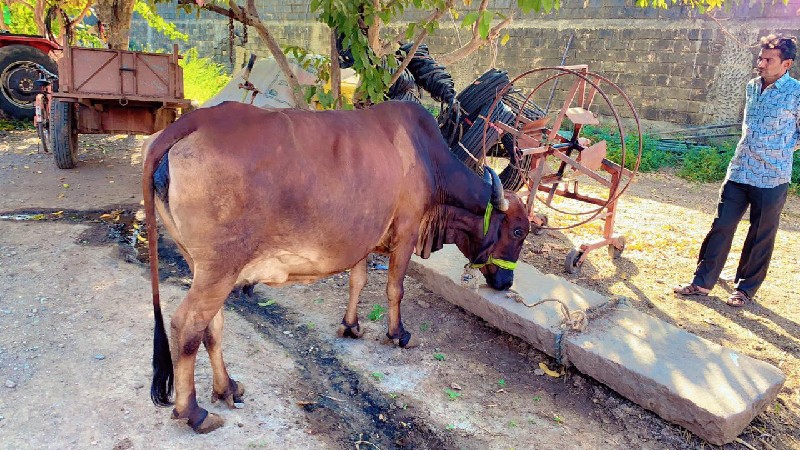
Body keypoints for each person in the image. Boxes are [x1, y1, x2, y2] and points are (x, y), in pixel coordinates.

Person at [674, 33, 799, 307]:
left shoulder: (796, 93)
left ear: (786, 64)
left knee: (760, 235)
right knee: (721, 225)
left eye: (769, 59)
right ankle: (702, 282)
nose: (761, 63)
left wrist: (780, 150)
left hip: (773, 177)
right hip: (740, 170)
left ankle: (745, 289)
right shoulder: (752, 86)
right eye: (760, 57)